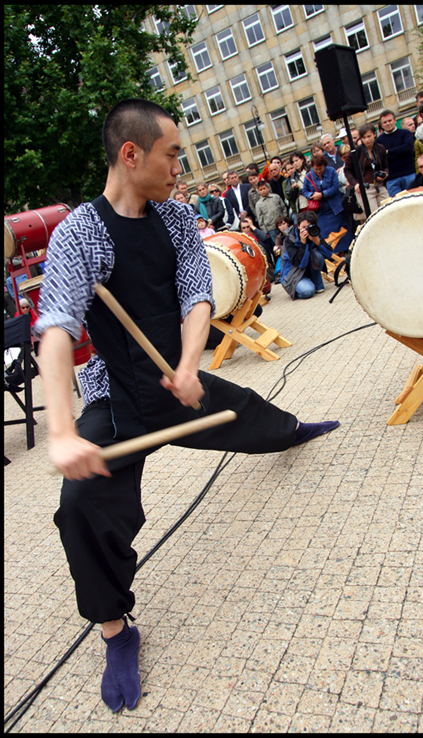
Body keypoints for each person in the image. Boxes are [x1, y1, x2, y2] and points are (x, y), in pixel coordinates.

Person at [33, 98, 340, 715]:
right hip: (115, 401)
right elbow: (59, 328)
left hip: (177, 385)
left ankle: (290, 432)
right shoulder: (81, 234)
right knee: (80, 508)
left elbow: (199, 297)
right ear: (131, 154)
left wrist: (188, 365)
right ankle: (118, 631)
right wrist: (62, 432)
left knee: (250, 414)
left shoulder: (174, 221)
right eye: (171, 153)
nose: (180, 165)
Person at [302, 154, 353, 254]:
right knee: (325, 233)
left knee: (340, 230)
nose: (318, 171)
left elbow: (335, 186)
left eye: (320, 168)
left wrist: (322, 194)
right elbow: (304, 191)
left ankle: (343, 253)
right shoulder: (309, 176)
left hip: (334, 207)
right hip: (320, 210)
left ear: (324, 165)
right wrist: (312, 195)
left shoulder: (331, 171)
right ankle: (331, 254)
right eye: (316, 169)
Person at [343, 123, 389, 221]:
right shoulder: (356, 152)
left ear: (374, 134)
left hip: (379, 185)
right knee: (375, 217)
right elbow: (347, 170)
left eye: (369, 136)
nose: (367, 140)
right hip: (364, 188)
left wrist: (385, 174)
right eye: (364, 137)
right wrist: (355, 184)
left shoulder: (380, 148)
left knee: (389, 211)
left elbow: (385, 166)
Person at [280, 211, 326, 299]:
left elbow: (329, 254)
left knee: (318, 256)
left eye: (309, 227)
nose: (306, 229)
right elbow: (300, 263)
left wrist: (317, 241)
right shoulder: (290, 239)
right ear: (298, 225)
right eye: (303, 227)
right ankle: (298, 288)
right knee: (307, 291)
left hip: (306, 269)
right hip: (292, 273)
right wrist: (303, 243)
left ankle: (317, 284)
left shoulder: (313, 232)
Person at [376, 110, 416, 196]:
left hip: (409, 174)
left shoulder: (405, 133)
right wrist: (400, 151)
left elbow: (408, 148)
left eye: (390, 120)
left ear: (395, 120)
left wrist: (389, 151)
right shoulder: (379, 141)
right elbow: (382, 158)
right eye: (385, 122)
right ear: (382, 125)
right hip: (392, 179)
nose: (387, 123)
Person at [255, 179, 287, 248]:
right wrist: (266, 231)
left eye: (264, 188)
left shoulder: (276, 197)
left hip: (282, 224)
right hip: (271, 228)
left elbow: (283, 208)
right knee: (277, 245)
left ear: (268, 188)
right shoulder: (259, 204)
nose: (263, 191)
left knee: (287, 240)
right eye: (260, 189)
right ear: (258, 191)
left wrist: (284, 219)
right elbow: (260, 219)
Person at [285, 151, 309, 223]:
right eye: (293, 162)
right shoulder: (293, 177)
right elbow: (288, 194)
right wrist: (294, 189)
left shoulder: (309, 170)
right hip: (301, 205)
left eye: (296, 160)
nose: (295, 163)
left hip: (313, 202)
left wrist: (300, 190)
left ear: (302, 159)